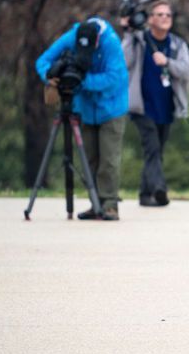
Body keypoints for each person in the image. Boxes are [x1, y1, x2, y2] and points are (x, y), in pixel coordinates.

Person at [36, 16, 129, 221]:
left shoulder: (111, 43)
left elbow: (114, 78)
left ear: (97, 41)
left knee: (109, 159)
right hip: (85, 107)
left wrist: (82, 82)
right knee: (89, 158)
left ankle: (109, 205)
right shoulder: (72, 35)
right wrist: (50, 76)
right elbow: (42, 61)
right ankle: (95, 204)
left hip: (112, 107)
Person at [121, 0, 189, 207]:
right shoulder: (138, 40)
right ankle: (159, 189)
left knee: (156, 152)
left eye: (168, 15)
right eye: (159, 14)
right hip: (142, 106)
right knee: (152, 148)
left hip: (167, 106)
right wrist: (127, 32)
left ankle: (144, 195)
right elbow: (124, 61)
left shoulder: (177, 44)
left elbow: (187, 71)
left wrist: (168, 62)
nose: (164, 18)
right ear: (150, 19)